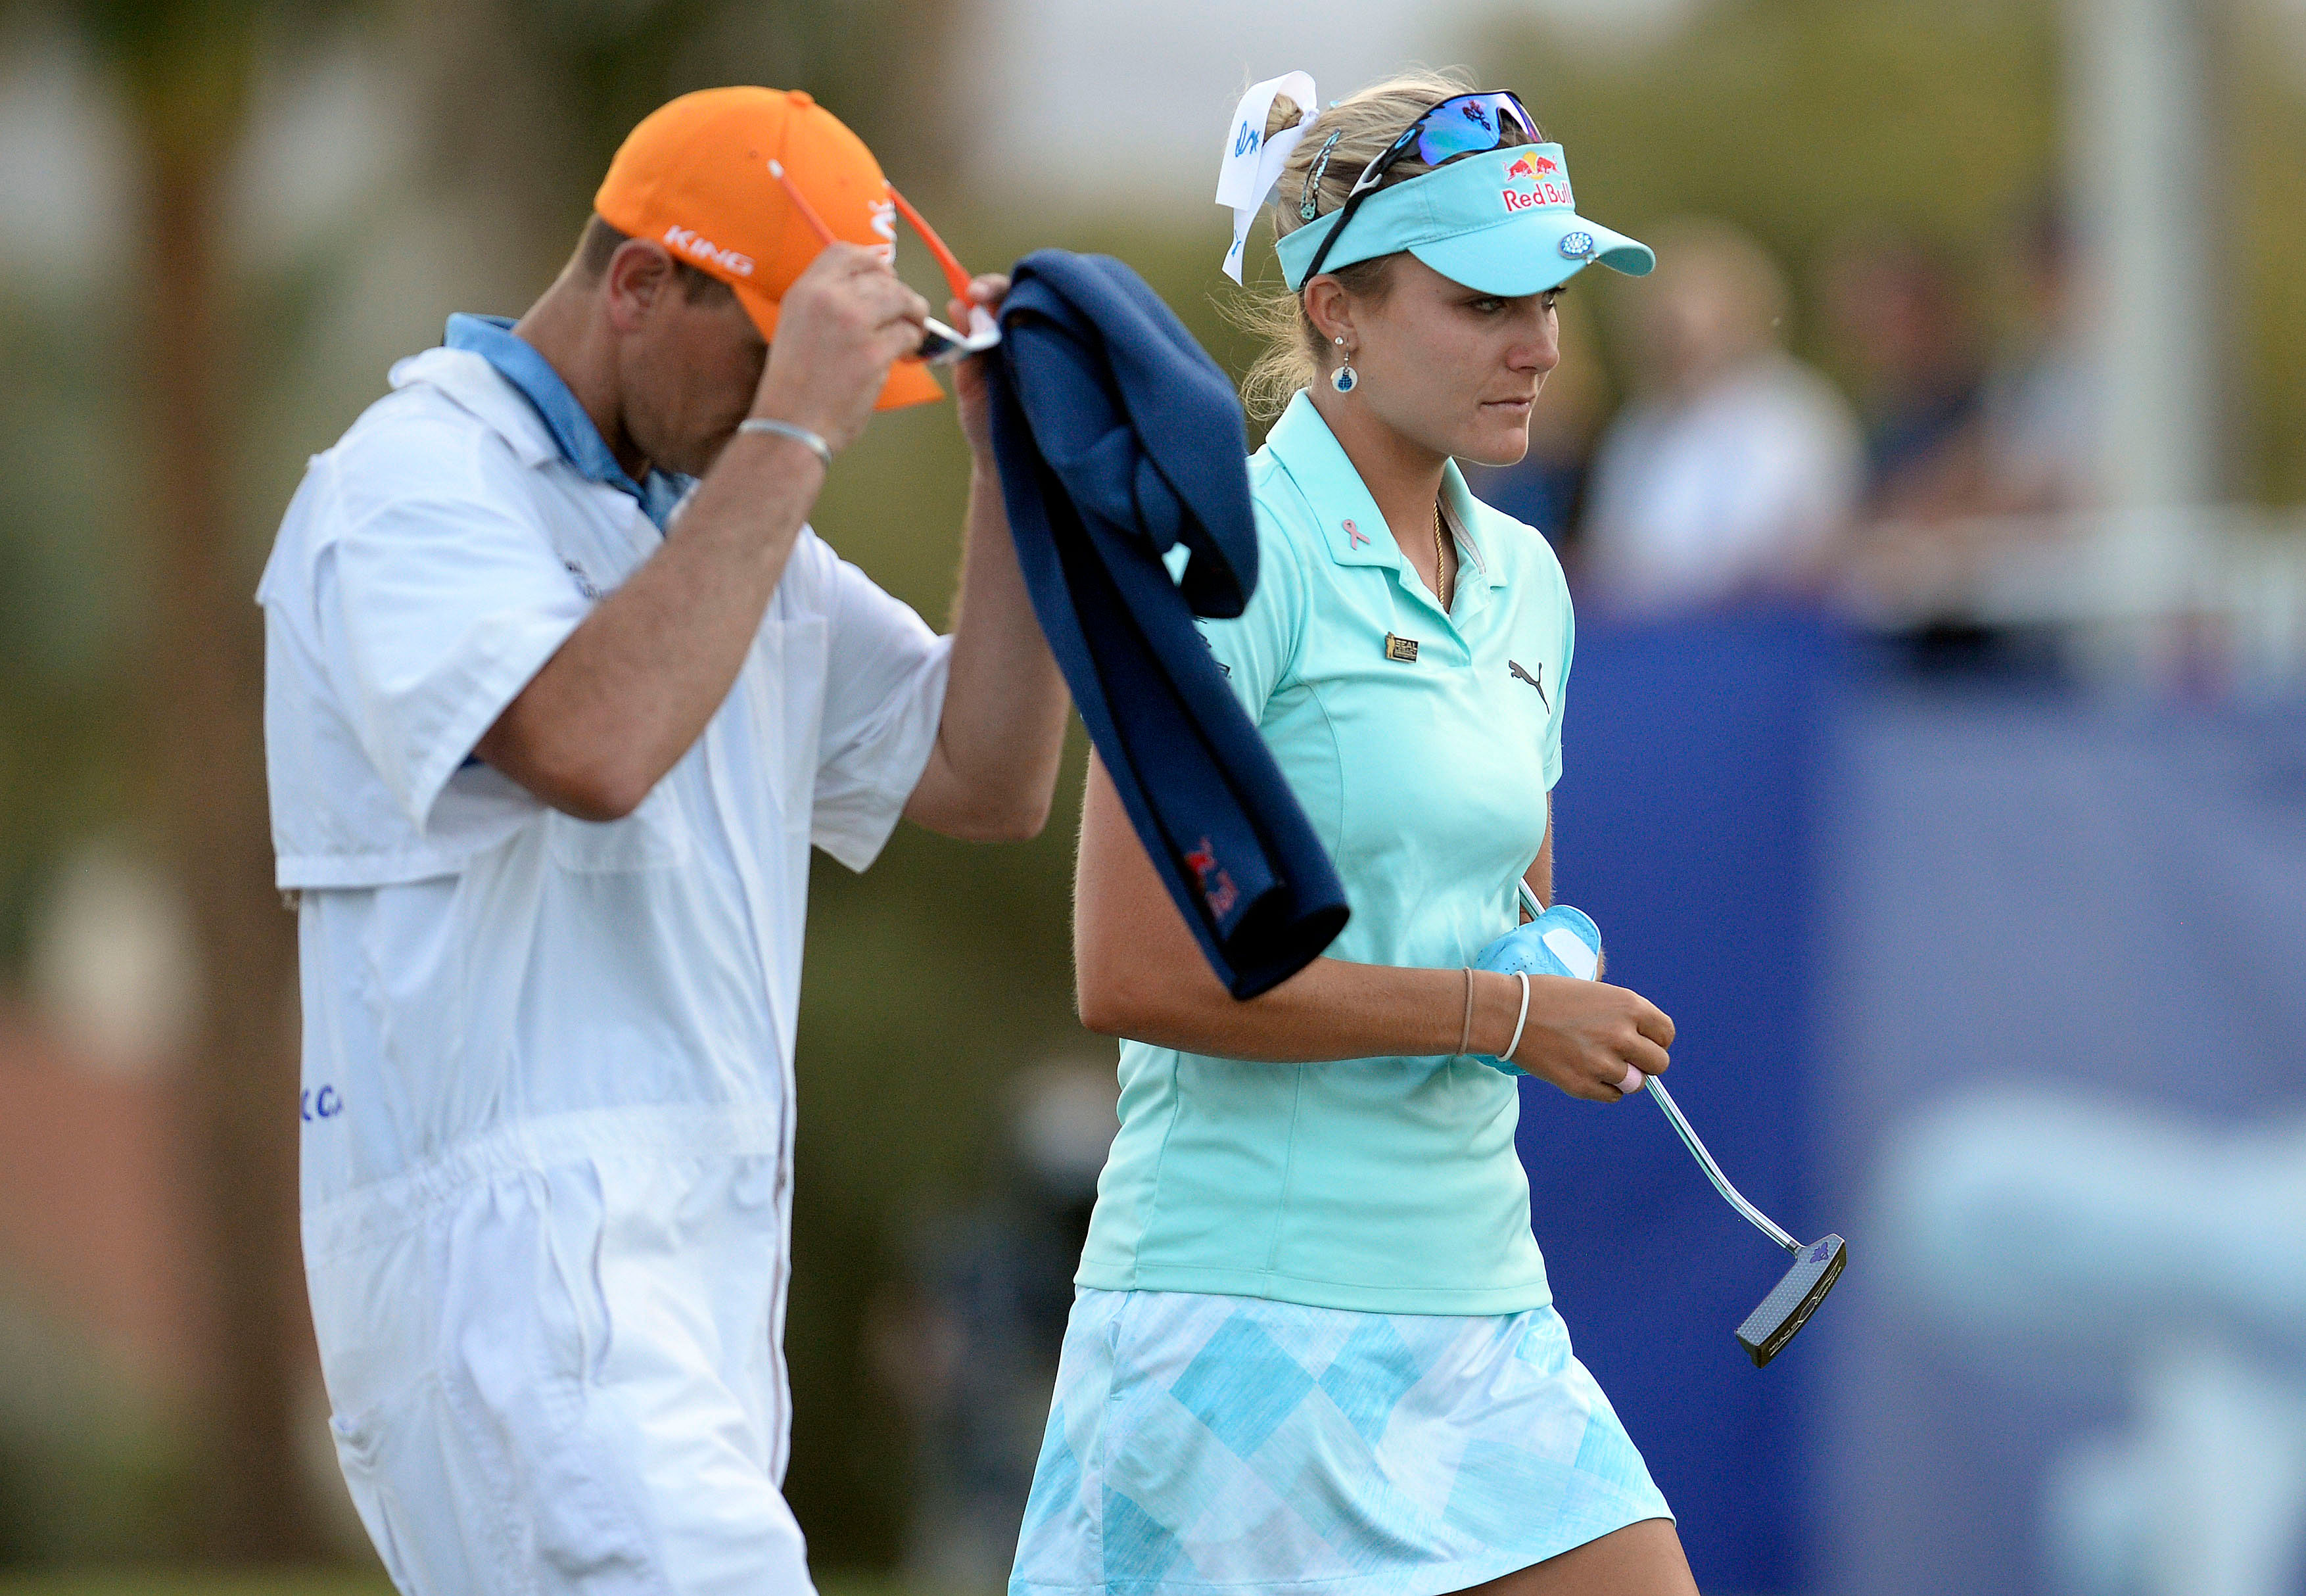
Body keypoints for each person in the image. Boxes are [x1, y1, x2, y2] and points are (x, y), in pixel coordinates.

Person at [258, 87, 1069, 1595]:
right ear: (639, 284)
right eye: (764, 354)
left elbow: (981, 771)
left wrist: (1007, 469)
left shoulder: (712, 512)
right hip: (513, 1296)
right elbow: (590, 742)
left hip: (671, 1303)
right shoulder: (411, 481)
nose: (790, 401)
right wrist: (790, 432)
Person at [1009, 71, 1697, 1596]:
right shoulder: (1221, 562)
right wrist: (1505, 1011)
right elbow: (1129, 972)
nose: (1538, 344)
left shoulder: (1529, 579)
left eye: (1553, 297)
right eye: (1483, 300)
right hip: (1242, 1302)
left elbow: (1504, 902)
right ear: (1338, 310)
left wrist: (1540, 970)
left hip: (1477, 1292)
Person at [1579, 217, 1862, 615]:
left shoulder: (1791, 415)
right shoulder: (1640, 425)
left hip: (1757, 632)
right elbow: (1614, 549)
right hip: (1647, 640)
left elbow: (1791, 544)